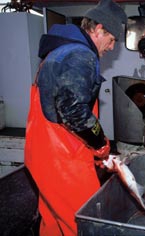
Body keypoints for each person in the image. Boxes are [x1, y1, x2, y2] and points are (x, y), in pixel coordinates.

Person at [24, 0, 127, 235]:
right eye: (111, 40)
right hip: (63, 162)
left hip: (42, 155)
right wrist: (101, 145)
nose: (111, 47)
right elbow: (73, 112)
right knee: (83, 223)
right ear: (99, 29)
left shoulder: (59, 51)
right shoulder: (81, 55)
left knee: (53, 220)